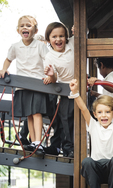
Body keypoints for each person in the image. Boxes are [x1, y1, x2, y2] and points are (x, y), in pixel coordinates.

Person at [69, 77, 113, 188]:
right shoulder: (93, 126)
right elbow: (84, 109)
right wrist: (75, 93)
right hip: (96, 171)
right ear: (95, 114)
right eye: (100, 112)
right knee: (86, 162)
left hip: (112, 169)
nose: (103, 115)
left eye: (107, 112)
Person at [0, 15, 49, 155]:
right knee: (29, 114)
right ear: (18, 30)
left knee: (37, 113)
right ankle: (33, 142)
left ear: (35, 30)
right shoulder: (15, 46)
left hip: (37, 83)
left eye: (29, 25)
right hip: (22, 85)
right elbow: (8, 59)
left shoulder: (40, 45)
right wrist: (4, 69)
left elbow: (49, 60)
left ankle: (38, 142)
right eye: (22, 26)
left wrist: (49, 75)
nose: (25, 27)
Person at [44, 22, 74, 158]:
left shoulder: (72, 45)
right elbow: (55, 78)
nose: (58, 39)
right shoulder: (50, 56)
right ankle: (68, 149)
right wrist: (51, 75)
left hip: (78, 87)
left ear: (66, 37)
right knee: (65, 119)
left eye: (61, 36)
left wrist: (79, 29)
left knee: (77, 119)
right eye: (54, 36)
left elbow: (84, 33)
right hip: (64, 91)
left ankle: (77, 146)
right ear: (49, 39)